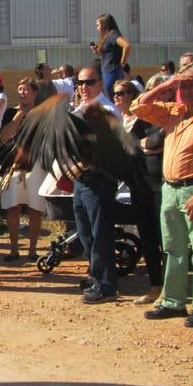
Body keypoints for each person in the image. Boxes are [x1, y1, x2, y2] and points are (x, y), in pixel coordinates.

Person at [132, 66, 193, 325]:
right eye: (183, 85)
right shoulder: (173, 114)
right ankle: (174, 301)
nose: (186, 89)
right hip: (169, 188)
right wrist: (167, 85)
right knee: (173, 248)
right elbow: (138, 107)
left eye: (191, 84)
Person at [72, 67, 122, 303]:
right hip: (81, 181)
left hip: (100, 180)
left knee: (100, 234)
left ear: (101, 84)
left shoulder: (107, 110)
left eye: (89, 82)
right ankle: (96, 275)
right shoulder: (80, 110)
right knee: (85, 233)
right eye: (80, 82)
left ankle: (106, 285)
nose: (84, 86)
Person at [114, 79, 164, 305]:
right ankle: (155, 286)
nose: (117, 97)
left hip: (156, 184)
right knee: (148, 238)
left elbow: (159, 142)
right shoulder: (118, 124)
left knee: (165, 238)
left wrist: (141, 146)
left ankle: (171, 287)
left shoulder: (147, 119)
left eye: (122, 93)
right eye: (115, 93)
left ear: (134, 95)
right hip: (136, 186)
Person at [0, 78, 45, 262]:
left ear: (34, 93)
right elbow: (4, 136)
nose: (22, 92)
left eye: (26, 89)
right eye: (19, 89)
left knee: (35, 208)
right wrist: (18, 117)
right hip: (13, 166)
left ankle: (32, 250)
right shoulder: (10, 112)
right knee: (12, 207)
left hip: (36, 164)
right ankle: (13, 249)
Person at [92, 14, 131, 89]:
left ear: (104, 25)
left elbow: (127, 46)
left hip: (112, 72)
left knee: (110, 95)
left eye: (98, 25)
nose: (97, 28)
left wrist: (122, 63)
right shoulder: (107, 37)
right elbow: (108, 54)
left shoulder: (112, 34)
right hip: (106, 71)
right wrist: (97, 51)